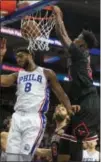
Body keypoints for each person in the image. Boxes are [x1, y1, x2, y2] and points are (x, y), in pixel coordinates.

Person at [0, 38, 80, 162]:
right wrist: (1, 55)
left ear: (30, 55)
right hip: (17, 117)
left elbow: (60, 93)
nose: (18, 60)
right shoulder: (17, 75)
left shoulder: (47, 73)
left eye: (21, 56)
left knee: (24, 157)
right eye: (17, 57)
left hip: (34, 118)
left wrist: (69, 109)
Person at [53, 6, 100, 162]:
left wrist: (58, 16)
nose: (75, 39)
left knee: (76, 146)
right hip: (82, 102)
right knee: (64, 144)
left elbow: (62, 35)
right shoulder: (80, 56)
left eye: (78, 37)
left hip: (89, 103)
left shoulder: (80, 54)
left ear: (83, 45)